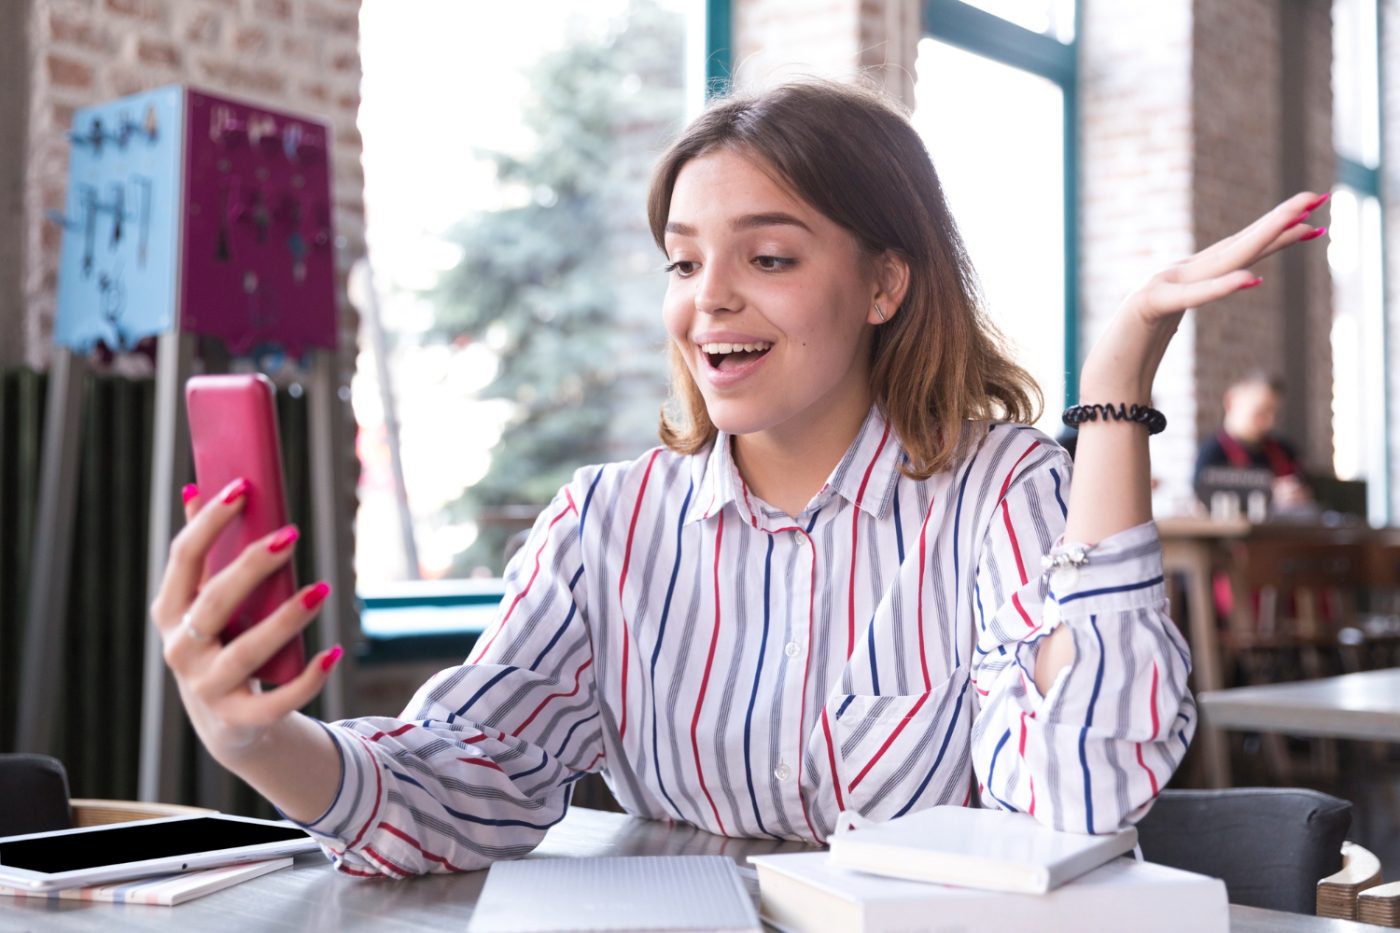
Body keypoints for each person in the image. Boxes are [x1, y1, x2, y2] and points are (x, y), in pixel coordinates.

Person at [149, 80, 1329, 878]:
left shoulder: (998, 492)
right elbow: (461, 784)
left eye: (766, 257)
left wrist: (1114, 387)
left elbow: (1084, 796)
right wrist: (260, 743)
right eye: (682, 260)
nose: (706, 298)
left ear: (882, 285)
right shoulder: (605, 524)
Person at [1193, 372, 1312, 510]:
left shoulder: (1284, 451)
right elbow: (1203, 499)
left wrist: (1301, 495)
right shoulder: (1212, 453)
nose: (1270, 422)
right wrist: (1269, 494)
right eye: (1261, 412)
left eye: (1275, 413)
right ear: (1231, 402)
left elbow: (1308, 491)